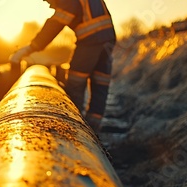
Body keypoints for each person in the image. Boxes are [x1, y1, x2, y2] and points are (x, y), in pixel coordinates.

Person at [10, 0, 116, 133]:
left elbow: (54, 25)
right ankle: (94, 124)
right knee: (101, 80)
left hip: (91, 39)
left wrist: (29, 48)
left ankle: (74, 126)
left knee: (75, 82)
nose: (49, 4)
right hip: (108, 38)